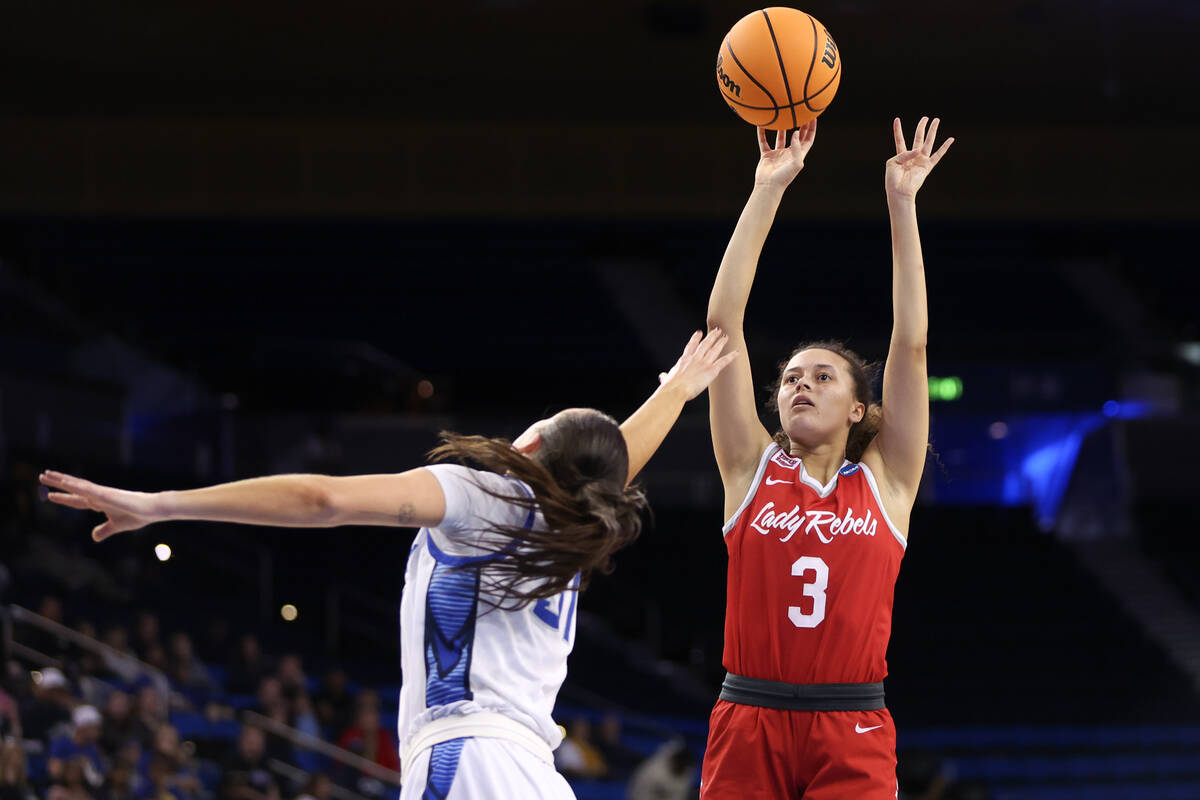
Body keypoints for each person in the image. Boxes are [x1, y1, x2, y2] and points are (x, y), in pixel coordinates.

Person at [40, 328, 737, 800]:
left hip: (467, 758)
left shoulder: (486, 492)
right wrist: (675, 390)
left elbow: (319, 498)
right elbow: (611, 461)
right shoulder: (578, 527)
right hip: (534, 775)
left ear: (529, 447)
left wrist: (159, 505)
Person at [700, 117, 953, 799]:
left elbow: (912, 344)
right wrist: (767, 189)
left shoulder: (887, 482)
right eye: (789, 378)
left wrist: (902, 203)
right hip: (748, 717)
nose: (800, 383)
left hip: (854, 724)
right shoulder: (748, 470)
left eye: (821, 377)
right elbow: (724, 326)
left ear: (857, 410)